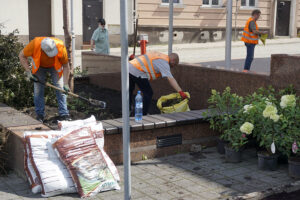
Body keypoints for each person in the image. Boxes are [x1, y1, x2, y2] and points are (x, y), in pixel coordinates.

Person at [19, 37, 71, 122]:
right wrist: (28, 72)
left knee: (61, 89)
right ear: (42, 50)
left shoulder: (60, 46)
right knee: (38, 90)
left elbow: (66, 66)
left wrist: (65, 83)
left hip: (55, 66)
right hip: (39, 67)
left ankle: (64, 114)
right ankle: (40, 115)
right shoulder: (34, 44)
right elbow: (21, 55)